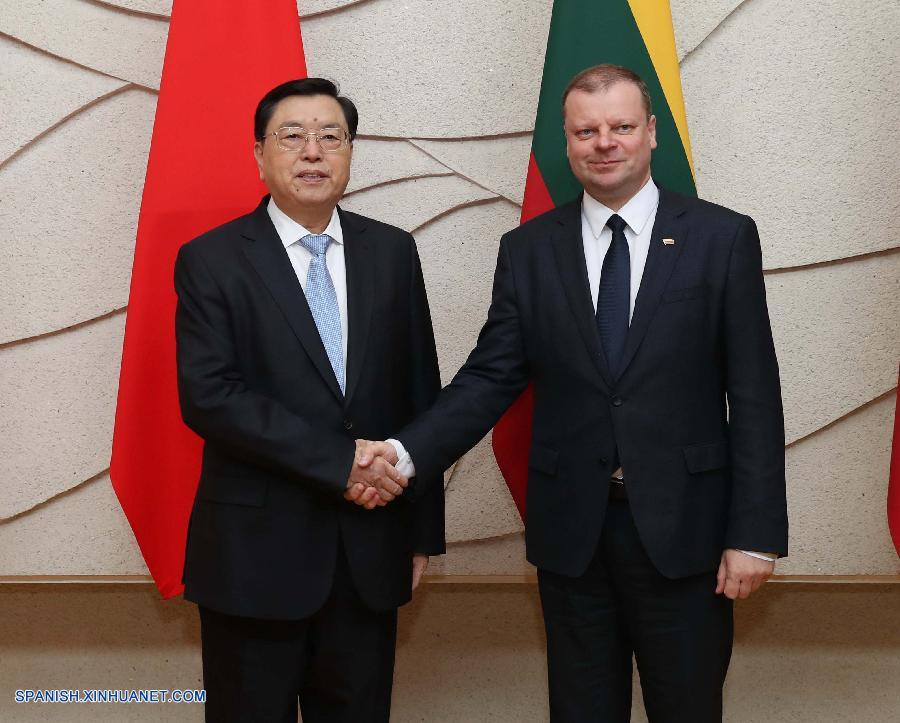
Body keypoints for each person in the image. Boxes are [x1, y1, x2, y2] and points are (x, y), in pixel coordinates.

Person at [355, 65, 788, 722]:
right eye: (586, 131)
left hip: (689, 535)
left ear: (651, 133)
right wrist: (403, 453)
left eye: (621, 126)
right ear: (567, 142)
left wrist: (755, 534)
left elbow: (754, 394)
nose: (604, 142)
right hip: (573, 537)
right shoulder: (528, 250)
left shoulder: (721, 237)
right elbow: (488, 378)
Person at [174, 77, 444, 723]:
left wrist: (421, 533)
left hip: (369, 552)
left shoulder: (392, 251)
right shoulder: (211, 259)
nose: (313, 152)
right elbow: (210, 396)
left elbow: (420, 391)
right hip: (253, 557)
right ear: (259, 154)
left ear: (350, 152)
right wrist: (340, 462)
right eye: (292, 136)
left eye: (331, 136)